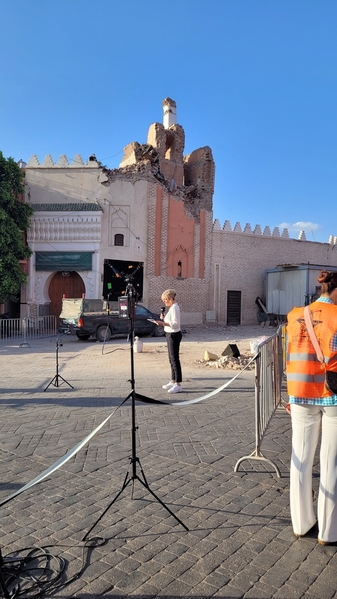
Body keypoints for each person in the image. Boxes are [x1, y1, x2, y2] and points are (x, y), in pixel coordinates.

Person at [286, 269, 337, 545]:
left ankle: (301, 524)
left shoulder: (294, 316)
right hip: (332, 396)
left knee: (300, 459)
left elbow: (289, 356)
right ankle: (330, 531)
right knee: (332, 463)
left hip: (301, 391)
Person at [155, 289, 183, 394]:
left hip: (174, 335)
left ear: (171, 299)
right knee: (171, 359)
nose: (164, 302)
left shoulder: (175, 308)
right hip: (169, 334)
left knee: (175, 359)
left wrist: (162, 324)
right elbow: (170, 321)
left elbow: (176, 324)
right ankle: (173, 380)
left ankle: (178, 384)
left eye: (166, 299)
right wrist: (163, 319)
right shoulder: (171, 308)